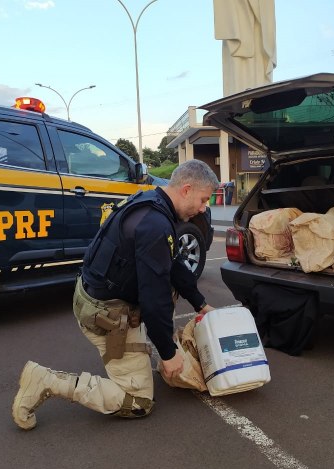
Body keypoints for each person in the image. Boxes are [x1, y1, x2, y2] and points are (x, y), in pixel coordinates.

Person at [12, 159, 219, 429]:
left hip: (94, 297)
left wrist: (201, 305)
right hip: (106, 316)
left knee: (165, 287)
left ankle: (148, 344)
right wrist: (168, 355)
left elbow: (174, 263)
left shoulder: (150, 202)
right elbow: (153, 299)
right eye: (203, 200)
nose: (204, 209)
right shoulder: (156, 225)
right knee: (138, 402)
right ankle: (46, 381)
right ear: (187, 189)